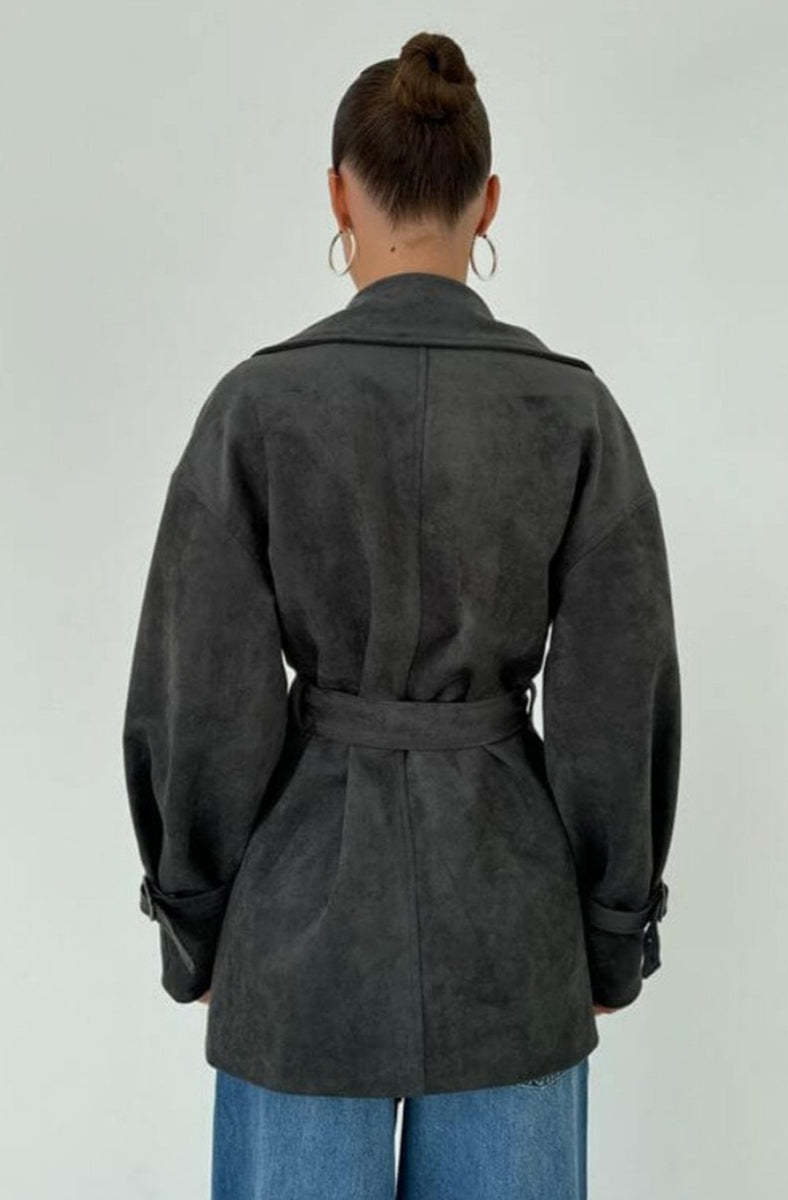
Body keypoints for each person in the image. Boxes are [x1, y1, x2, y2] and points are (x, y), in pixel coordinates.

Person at [122, 29, 681, 1200]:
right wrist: (607, 929)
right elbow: (615, 700)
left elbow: (200, 696)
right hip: (512, 930)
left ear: (339, 193)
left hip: (298, 934)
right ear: (487, 201)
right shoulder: (571, 413)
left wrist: (196, 918)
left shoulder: (256, 407)